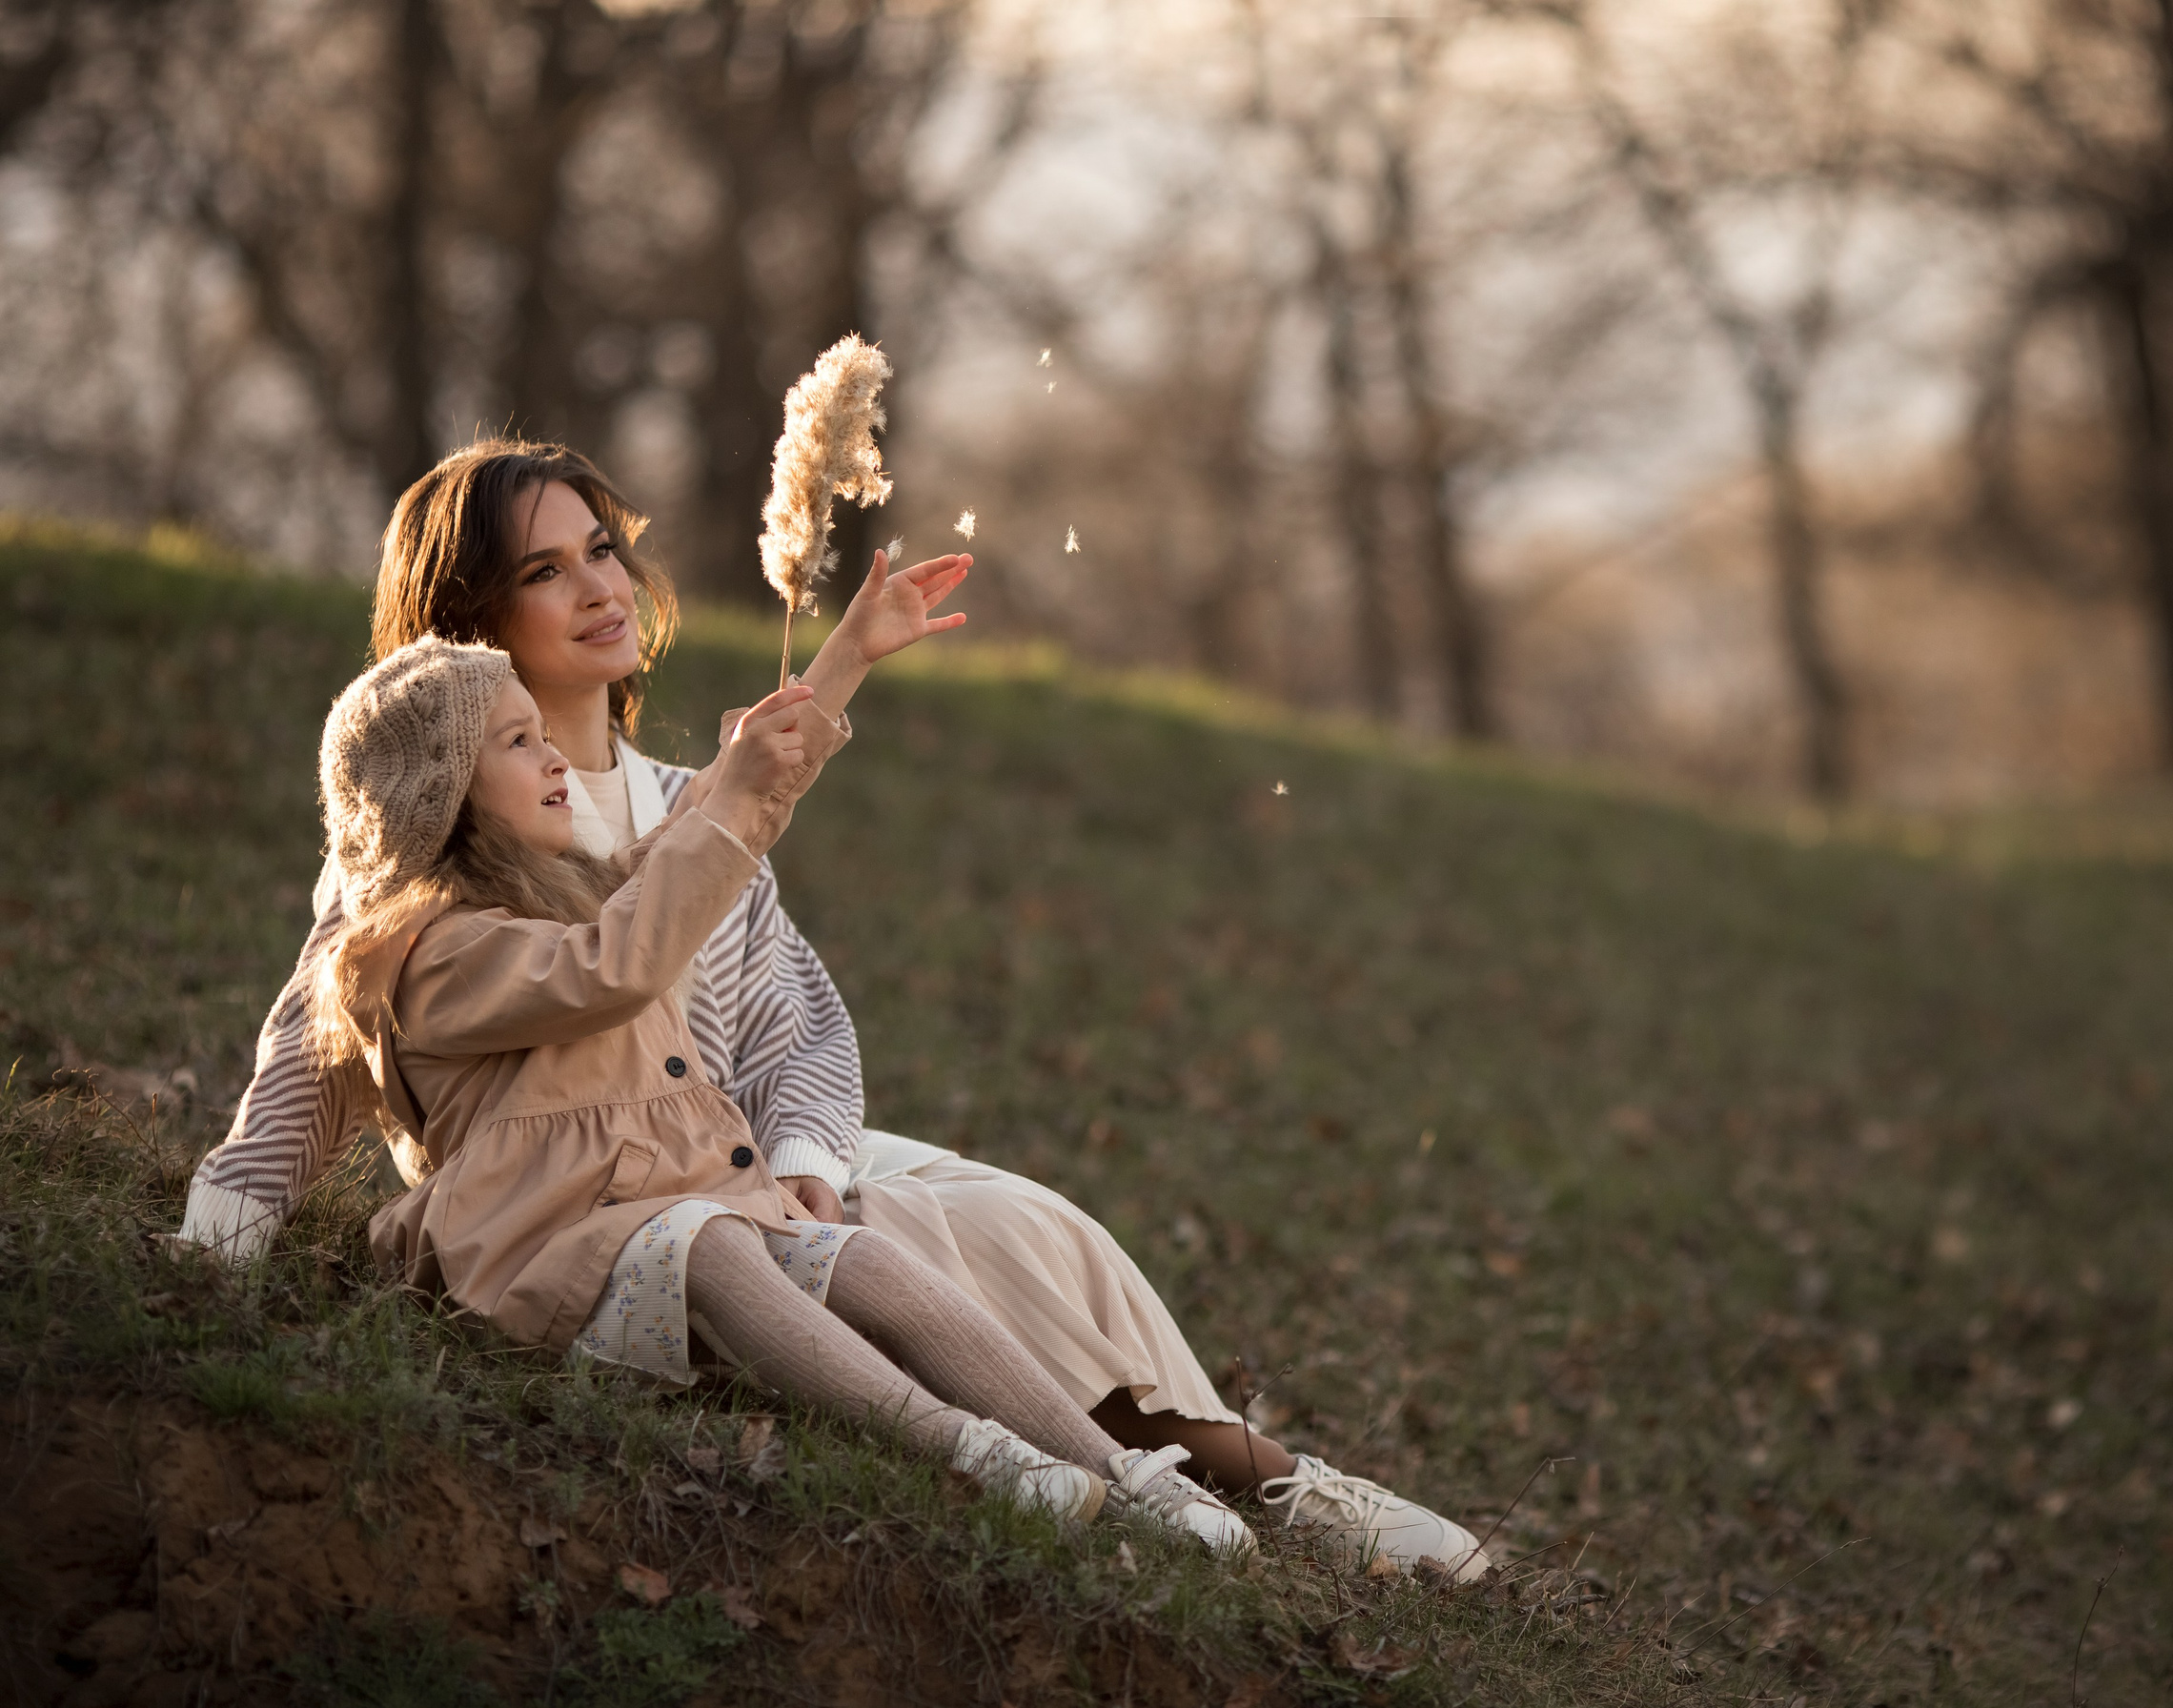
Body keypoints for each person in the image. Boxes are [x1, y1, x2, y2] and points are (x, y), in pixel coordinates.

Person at [179, 438, 1484, 1577]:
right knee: (924, 1240)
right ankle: (1226, 1479)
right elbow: (316, 1055)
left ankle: (1260, 1477)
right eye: (544, 571)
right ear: (467, 623)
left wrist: (805, 1161)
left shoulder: (686, 797)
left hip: (763, 1159)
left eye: (603, 550)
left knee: (1026, 1219)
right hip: (601, 1195)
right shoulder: (419, 862)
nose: (598, 588)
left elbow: (803, 1027)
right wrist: (221, 1240)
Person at [301, 623, 1247, 1551]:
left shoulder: (561, 896)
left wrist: (841, 663)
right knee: (709, 1239)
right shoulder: (438, 955)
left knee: (855, 1259)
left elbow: (686, 840)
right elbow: (616, 962)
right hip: (543, 1246)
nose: (554, 758)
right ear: (440, 795)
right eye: (518, 742)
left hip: (659, 1214)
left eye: (543, 733)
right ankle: (968, 1449)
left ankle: (1121, 1478)